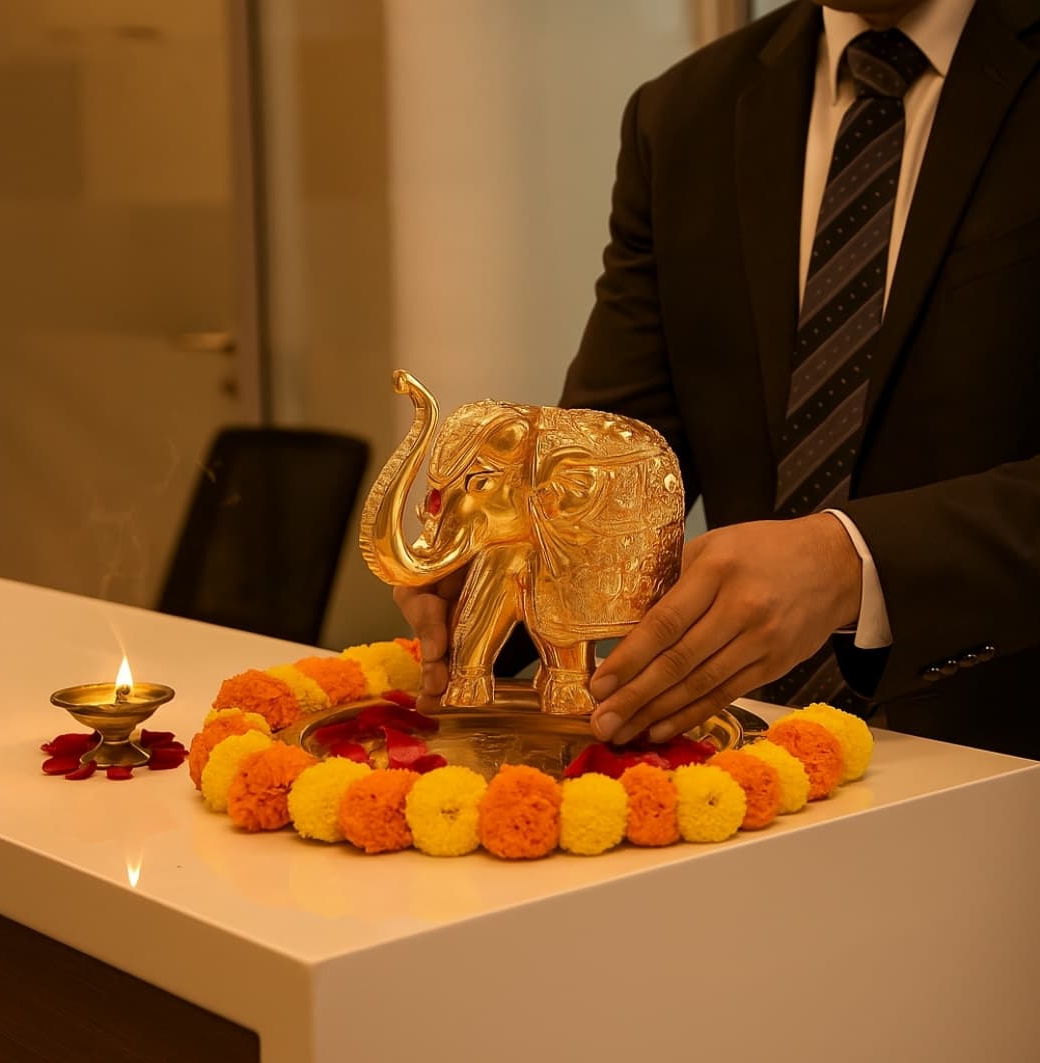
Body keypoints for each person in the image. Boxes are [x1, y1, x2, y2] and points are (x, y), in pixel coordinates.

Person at [396, 0, 1040, 760]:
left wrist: (854, 562)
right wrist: (512, 544)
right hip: (739, 762)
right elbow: (623, 443)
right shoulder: (683, 115)